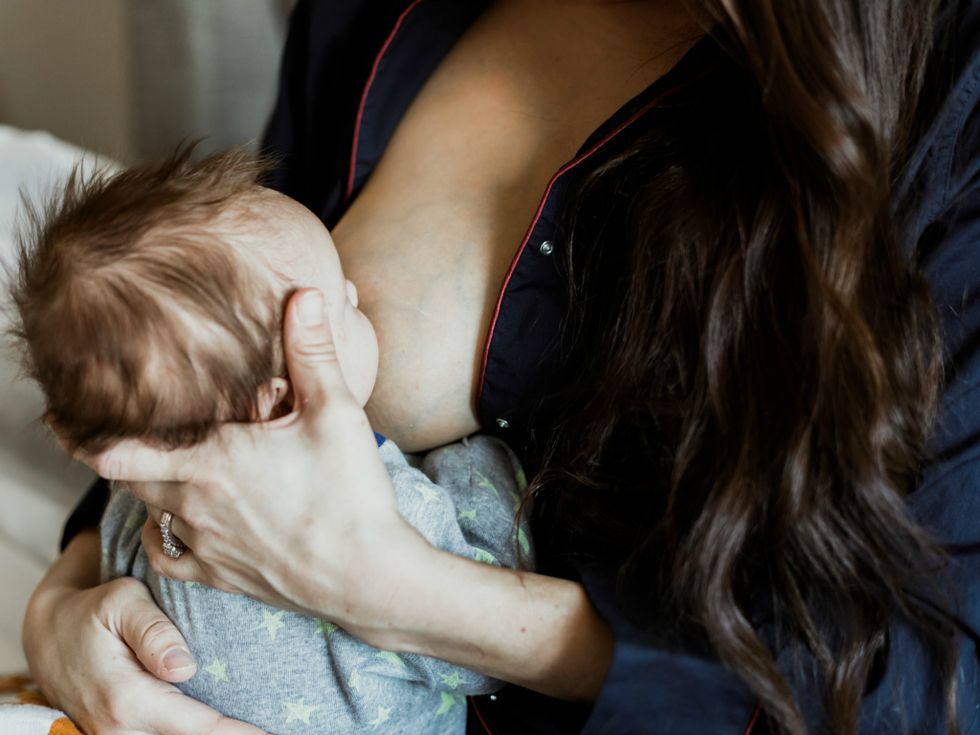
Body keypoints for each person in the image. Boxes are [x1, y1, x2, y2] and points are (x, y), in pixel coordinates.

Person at [22, 0, 979, 733]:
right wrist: (64, 607)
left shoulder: (940, 121)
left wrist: (389, 590)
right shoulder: (380, 16)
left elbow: (914, 685)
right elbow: (183, 341)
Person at [12, 148, 533, 734]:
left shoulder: (145, 513)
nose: (359, 295)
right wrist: (477, 458)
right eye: (340, 300)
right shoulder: (385, 513)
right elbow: (477, 666)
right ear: (285, 402)